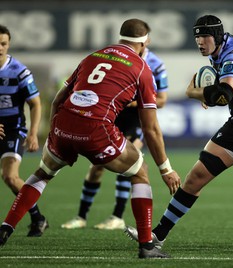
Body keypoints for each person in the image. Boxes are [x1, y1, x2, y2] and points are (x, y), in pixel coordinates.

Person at [0, 18, 181, 259]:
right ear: (145, 42)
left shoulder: (92, 56)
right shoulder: (142, 68)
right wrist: (166, 169)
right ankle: (147, 245)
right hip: (97, 130)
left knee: (42, 174)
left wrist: (54, 132)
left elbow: (57, 100)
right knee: (140, 171)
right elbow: (152, 129)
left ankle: (5, 228)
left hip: (64, 124)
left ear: (121, 38)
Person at [125, 15, 233, 250]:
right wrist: (210, 91)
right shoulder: (217, 51)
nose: (200, 41)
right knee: (195, 177)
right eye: (197, 36)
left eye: (205, 36)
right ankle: (158, 234)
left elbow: (223, 95)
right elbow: (221, 93)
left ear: (218, 36)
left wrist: (195, 93)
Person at [61, 47, 169, 230]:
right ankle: (81, 217)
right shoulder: (116, 57)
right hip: (112, 116)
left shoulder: (156, 65)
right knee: (96, 168)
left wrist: (134, 101)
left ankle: (117, 216)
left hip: (136, 120)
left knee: (129, 164)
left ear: (145, 41)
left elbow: (162, 100)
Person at [0, 24, 48, 237]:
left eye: (3, 44)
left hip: (13, 130)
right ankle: (38, 218)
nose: (0, 48)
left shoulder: (19, 71)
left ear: (8, 45)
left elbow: (35, 103)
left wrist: (32, 132)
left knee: (10, 177)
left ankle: (37, 217)